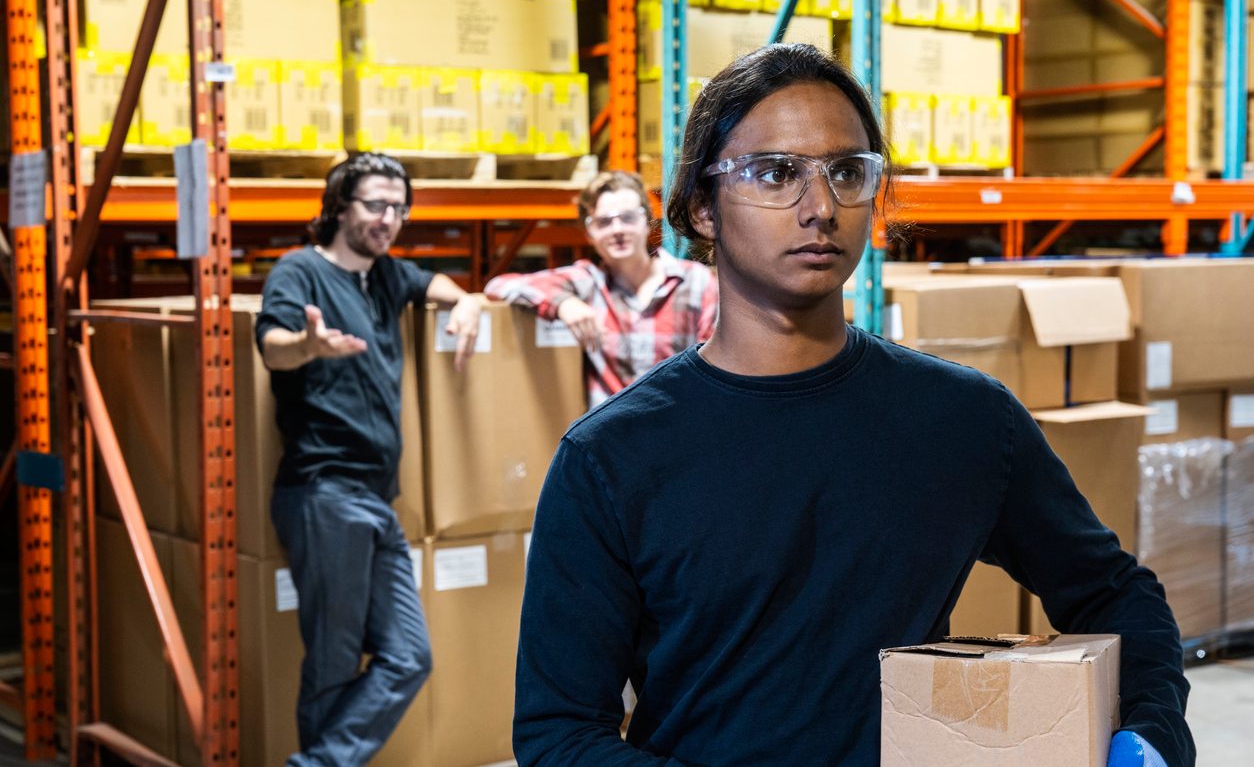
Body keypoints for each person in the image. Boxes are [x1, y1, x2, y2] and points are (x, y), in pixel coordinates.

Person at [513, 45, 1191, 766]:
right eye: (775, 174)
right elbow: (559, 734)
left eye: (847, 172)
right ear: (701, 209)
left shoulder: (962, 421)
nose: (820, 207)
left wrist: (1149, 734)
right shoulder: (612, 459)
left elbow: (1116, 593)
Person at [256, 153, 485, 766]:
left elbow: (433, 284)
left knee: (410, 655)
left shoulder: (385, 277)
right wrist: (306, 344)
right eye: (375, 205)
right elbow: (272, 347)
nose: (389, 218)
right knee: (332, 660)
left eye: (398, 208)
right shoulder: (299, 271)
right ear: (339, 206)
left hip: (377, 499)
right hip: (323, 491)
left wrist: (466, 300)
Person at [484, 170, 718, 407]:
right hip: (610, 437)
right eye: (604, 222)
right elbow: (500, 285)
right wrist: (563, 303)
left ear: (646, 222)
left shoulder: (695, 282)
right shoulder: (589, 284)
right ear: (589, 234)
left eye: (627, 218)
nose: (617, 230)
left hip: (680, 428)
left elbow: (714, 368)